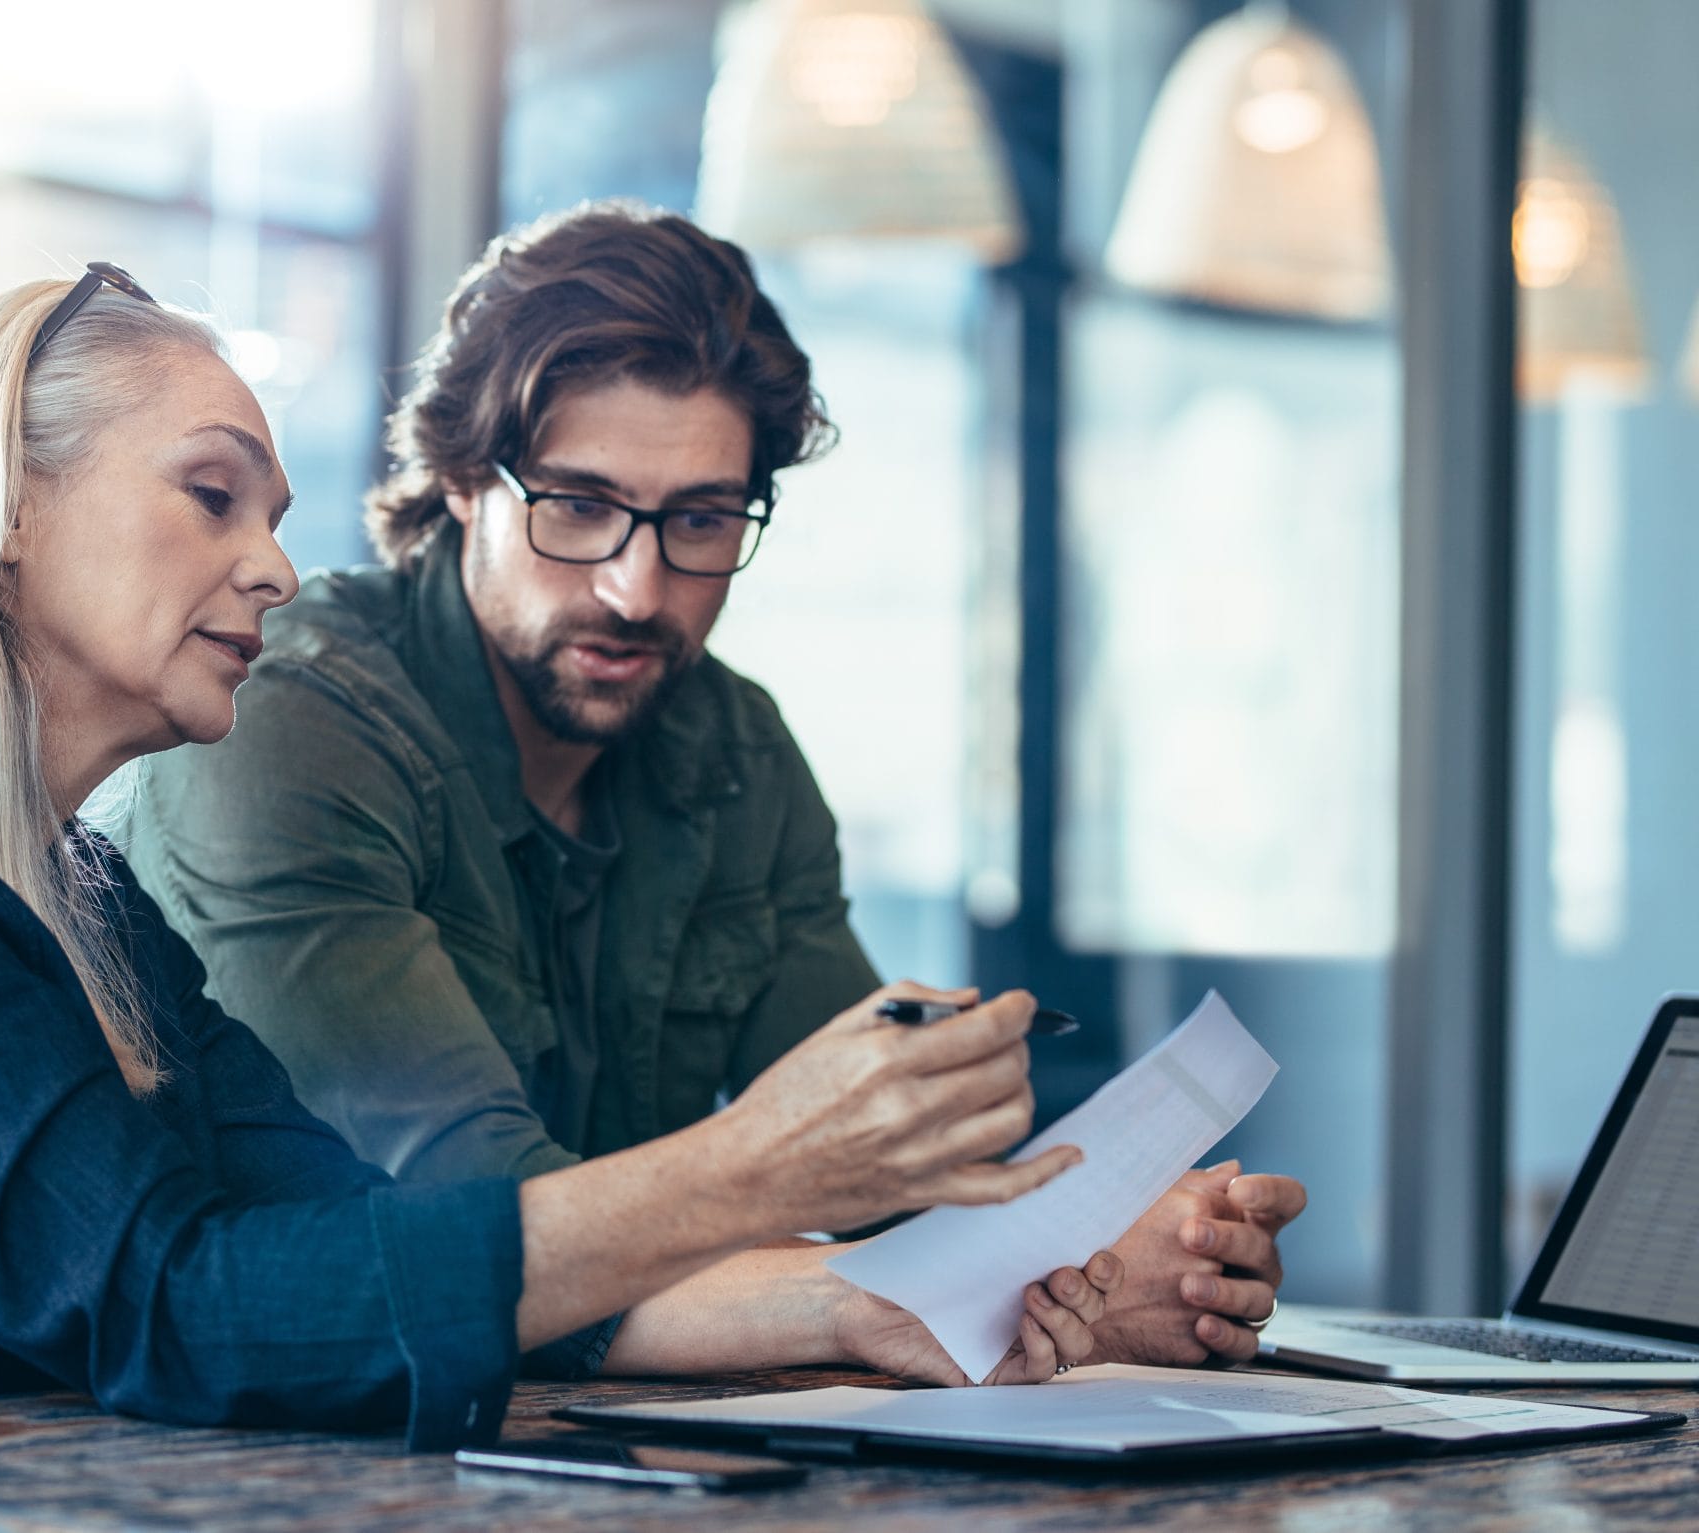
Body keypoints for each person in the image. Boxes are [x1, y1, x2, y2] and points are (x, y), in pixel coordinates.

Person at [0, 264, 1119, 1452]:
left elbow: (353, 1248)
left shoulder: (80, 899)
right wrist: (754, 1170)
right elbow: (181, 1308)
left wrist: (875, 1301)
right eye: (211, 494)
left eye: (277, 512)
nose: (275, 567)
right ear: (7, 511)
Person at [126, 204, 1308, 1370]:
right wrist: (890, 1291)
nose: (639, 590)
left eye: (698, 519)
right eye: (579, 507)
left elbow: (896, 1176)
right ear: (460, 480)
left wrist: (1108, 1254)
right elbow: (470, 1231)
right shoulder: (285, 720)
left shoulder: (731, 748)